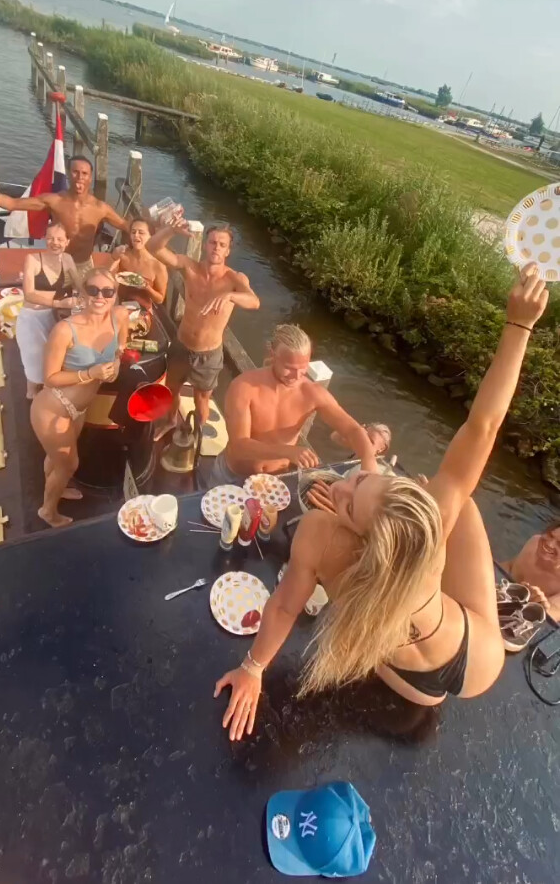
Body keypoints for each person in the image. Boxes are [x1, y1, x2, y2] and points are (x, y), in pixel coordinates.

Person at [214, 265, 549, 740]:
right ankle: (501, 596)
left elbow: (286, 608)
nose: (340, 487)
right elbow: (483, 426)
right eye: (359, 482)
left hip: (401, 667)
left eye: (350, 499)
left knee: (440, 513)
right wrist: (520, 326)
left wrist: (253, 668)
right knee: (461, 499)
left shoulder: (320, 537)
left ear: (366, 536)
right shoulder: (427, 527)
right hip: (470, 661)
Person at [209, 324, 382, 486]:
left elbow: (352, 429)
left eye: (303, 367)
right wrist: (287, 451)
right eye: (289, 367)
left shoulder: (312, 393)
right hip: (234, 475)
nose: (297, 375)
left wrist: (369, 460)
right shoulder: (243, 387)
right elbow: (239, 446)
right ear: (272, 354)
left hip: (274, 480)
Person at [30, 268, 129, 528]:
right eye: (93, 290)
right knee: (68, 464)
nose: (100, 296)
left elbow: (121, 344)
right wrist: (89, 374)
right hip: (53, 408)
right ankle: (47, 511)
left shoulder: (119, 316)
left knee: (57, 459)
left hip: (78, 409)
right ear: (83, 293)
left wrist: (117, 360)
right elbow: (49, 377)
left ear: (115, 294)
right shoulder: (65, 330)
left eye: (107, 291)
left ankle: (56, 486)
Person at [148, 221, 260, 428]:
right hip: (181, 345)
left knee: (201, 400)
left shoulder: (234, 279)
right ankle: (170, 422)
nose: (216, 247)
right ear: (205, 245)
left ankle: (197, 433)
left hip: (208, 354)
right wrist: (171, 230)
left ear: (227, 251)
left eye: (222, 245)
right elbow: (152, 248)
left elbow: (254, 302)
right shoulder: (189, 267)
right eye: (213, 242)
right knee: (172, 389)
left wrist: (230, 295)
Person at [0, 156, 130, 279]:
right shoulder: (54, 200)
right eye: (75, 172)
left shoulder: (100, 208)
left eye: (84, 173)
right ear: (68, 174)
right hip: (56, 264)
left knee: (82, 306)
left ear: (90, 177)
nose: (80, 177)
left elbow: (127, 226)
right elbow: (12, 204)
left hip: (83, 266)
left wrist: (139, 246)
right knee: (50, 306)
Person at [16, 222, 81, 399]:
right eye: (50, 238)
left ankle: (47, 394)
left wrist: (80, 297)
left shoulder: (67, 259)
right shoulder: (32, 259)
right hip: (31, 319)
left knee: (53, 358)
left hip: (52, 317)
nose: (55, 243)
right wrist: (59, 303)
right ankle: (30, 395)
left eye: (60, 239)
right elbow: (29, 294)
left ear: (67, 241)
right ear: (44, 239)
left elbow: (79, 285)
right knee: (34, 361)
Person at [501, 521, 560, 621]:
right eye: (550, 535)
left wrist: (539, 605)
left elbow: (548, 617)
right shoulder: (534, 542)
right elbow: (508, 566)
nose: (550, 544)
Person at [110, 218, 168, 308]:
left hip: (142, 309)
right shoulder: (123, 254)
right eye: (133, 232)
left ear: (151, 236)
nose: (136, 235)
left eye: (141, 233)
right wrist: (115, 255)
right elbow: (108, 273)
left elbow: (160, 299)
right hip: (119, 304)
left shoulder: (158, 266)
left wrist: (147, 288)